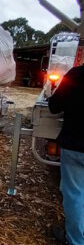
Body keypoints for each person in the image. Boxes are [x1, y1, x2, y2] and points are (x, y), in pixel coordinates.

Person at [48, 64, 84, 245]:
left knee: (75, 194)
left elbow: (54, 106)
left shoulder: (76, 75)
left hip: (75, 145)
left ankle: (76, 240)